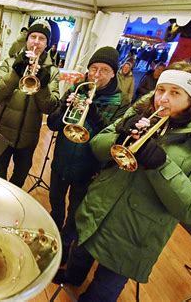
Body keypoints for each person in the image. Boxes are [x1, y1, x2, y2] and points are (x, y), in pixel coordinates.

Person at [53, 61, 191, 301]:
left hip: (135, 232)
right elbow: (97, 148)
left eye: (175, 93)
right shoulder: (141, 112)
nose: (162, 99)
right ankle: (74, 276)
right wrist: (119, 133)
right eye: (161, 90)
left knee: (104, 287)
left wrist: (162, 166)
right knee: (80, 253)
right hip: (98, 208)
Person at [46, 46, 129, 263]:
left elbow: (113, 137)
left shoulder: (121, 102)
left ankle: (63, 250)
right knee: (55, 201)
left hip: (89, 169)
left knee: (75, 212)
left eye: (103, 70)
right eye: (93, 68)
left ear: (113, 73)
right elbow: (53, 124)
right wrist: (64, 106)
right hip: (62, 160)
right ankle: (53, 235)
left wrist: (93, 113)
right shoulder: (78, 87)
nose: (96, 75)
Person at [0, 19, 60, 188]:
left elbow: (50, 107)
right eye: (33, 36)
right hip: (2, 134)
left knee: (19, 180)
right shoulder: (9, 62)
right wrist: (15, 73)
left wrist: (41, 82)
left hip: (28, 139)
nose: (36, 41)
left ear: (47, 44)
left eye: (41, 38)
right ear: (27, 39)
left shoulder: (53, 71)